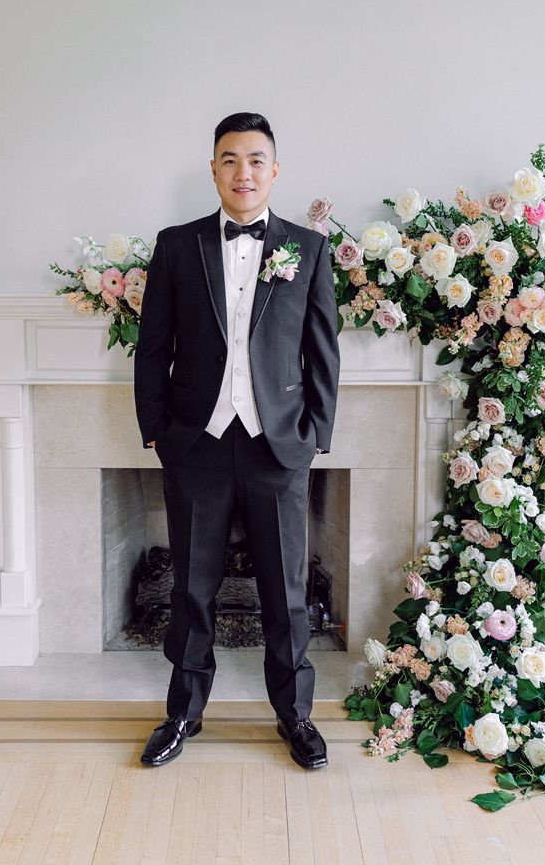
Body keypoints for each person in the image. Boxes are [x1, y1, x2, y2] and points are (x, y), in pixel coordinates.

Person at [134, 112, 340, 769]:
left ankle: (296, 717)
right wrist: (157, 430)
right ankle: (183, 714)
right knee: (191, 590)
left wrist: (316, 434)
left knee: (285, 594)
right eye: (229, 159)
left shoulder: (307, 249)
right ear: (214, 169)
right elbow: (152, 346)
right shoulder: (177, 246)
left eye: (255, 160)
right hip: (196, 443)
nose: (242, 172)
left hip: (276, 444)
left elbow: (322, 351)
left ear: (274, 170)